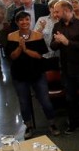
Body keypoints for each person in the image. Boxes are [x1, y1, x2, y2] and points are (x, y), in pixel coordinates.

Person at [6, 11, 60, 139]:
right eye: (21, 20)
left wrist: (26, 50)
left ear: (30, 21)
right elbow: (12, 56)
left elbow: (39, 56)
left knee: (45, 100)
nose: (24, 22)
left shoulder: (37, 36)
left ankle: (52, 124)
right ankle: (29, 126)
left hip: (37, 73)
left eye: (27, 20)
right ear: (17, 22)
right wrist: (19, 48)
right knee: (24, 102)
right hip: (19, 74)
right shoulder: (11, 36)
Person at [50, 0, 79, 135]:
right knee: (70, 98)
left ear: (66, 11)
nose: (55, 14)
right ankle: (73, 124)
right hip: (65, 68)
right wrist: (57, 42)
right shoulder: (57, 26)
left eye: (57, 11)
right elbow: (52, 46)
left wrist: (67, 42)